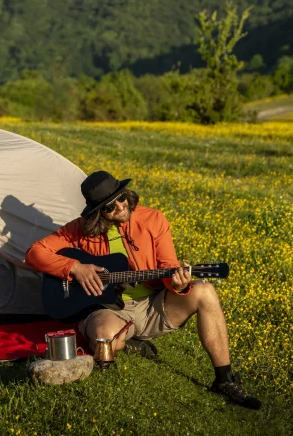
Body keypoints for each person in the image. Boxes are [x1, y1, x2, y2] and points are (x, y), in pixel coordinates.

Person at [25, 171, 260, 410]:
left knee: (205, 291)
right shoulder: (80, 230)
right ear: (97, 212)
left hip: (153, 305)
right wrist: (74, 267)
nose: (119, 207)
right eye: (109, 207)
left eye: (120, 198)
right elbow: (35, 253)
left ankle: (225, 379)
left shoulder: (153, 220)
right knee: (105, 342)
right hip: (110, 311)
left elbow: (168, 266)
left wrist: (178, 284)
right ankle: (127, 342)